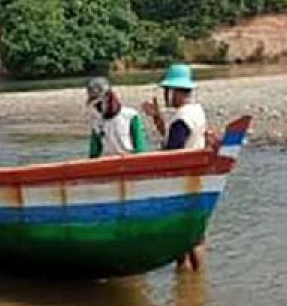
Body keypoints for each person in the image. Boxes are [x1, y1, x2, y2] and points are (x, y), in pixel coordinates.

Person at [142, 64, 209, 271]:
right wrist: (157, 118)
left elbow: (172, 154)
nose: (164, 95)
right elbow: (175, 140)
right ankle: (194, 291)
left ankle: (188, 287)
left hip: (183, 185)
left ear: (175, 91)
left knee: (184, 242)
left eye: (166, 91)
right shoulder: (196, 111)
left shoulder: (181, 119)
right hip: (197, 181)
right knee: (195, 238)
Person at [87, 81, 147, 158]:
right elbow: (94, 153)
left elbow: (140, 148)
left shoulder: (130, 116)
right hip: (108, 163)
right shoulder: (96, 122)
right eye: (95, 105)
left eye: (99, 103)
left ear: (108, 97)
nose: (97, 107)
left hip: (130, 160)